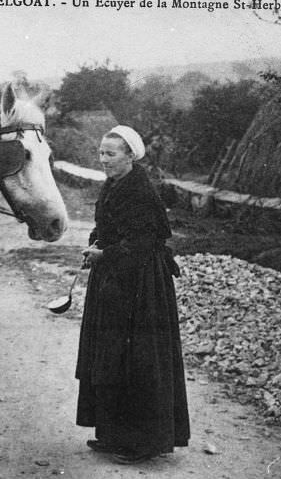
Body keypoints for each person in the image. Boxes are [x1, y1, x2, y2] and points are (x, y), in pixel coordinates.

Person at [75, 125, 189, 464]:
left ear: (129, 156)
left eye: (111, 153)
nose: (103, 159)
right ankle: (113, 434)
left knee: (138, 359)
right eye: (101, 152)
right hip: (114, 277)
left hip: (141, 284)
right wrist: (96, 244)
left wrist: (105, 255)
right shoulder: (113, 184)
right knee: (111, 355)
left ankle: (143, 443)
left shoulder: (140, 190)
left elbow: (142, 242)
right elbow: (108, 227)